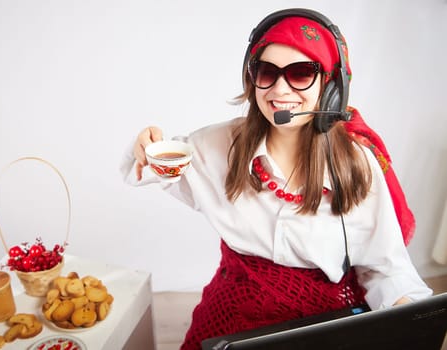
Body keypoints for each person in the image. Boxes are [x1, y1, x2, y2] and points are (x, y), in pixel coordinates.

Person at [120, 8, 432, 349]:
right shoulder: (218, 145)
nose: (279, 89)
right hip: (231, 313)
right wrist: (147, 148)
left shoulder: (357, 166)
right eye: (266, 72)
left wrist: (414, 322)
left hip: (319, 323)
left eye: (301, 73)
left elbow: (385, 269)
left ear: (331, 86)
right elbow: (157, 168)